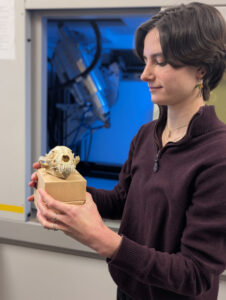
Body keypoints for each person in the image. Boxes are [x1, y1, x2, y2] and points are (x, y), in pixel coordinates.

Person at [28, 2, 226, 299]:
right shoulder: (147, 135)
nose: (145, 74)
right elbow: (122, 200)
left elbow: (195, 275)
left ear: (201, 70)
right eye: (145, 61)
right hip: (128, 291)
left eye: (159, 62)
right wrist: (65, 188)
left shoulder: (218, 154)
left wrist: (105, 241)